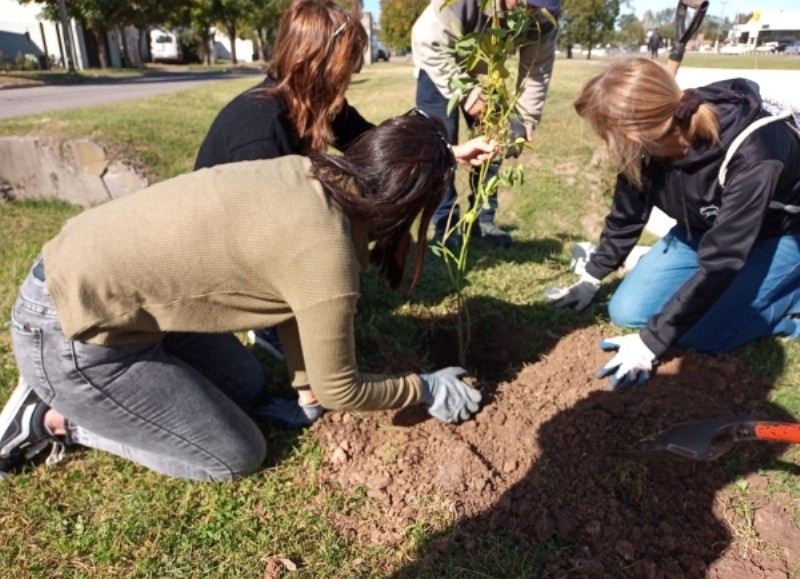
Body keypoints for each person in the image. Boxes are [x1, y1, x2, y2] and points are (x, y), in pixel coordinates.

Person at [0, 113, 494, 481]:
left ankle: (103, 393)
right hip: (67, 331)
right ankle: (54, 418)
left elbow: (295, 297)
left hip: (98, 294)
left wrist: (305, 388)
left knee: (247, 381)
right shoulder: (328, 255)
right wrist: (423, 389)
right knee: (234, 455)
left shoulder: (310, 173)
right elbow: (343, 390)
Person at [546, 57, 800, 388]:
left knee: (704, 335)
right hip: (702, 229)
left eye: (606, 134)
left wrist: (651, 342)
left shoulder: (754, 151)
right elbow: (627, 215)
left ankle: (789, 303)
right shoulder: (645, 148)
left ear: (630, 134)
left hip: (778, 236)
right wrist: (593, 276)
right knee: (626, 310)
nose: (605, 143)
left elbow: (723, 260)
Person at [194, 0, 374, 369]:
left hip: (258, 230)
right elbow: (266, 234)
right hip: (221, 248)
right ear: (316, 64)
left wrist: (442, 150)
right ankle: (269, 323)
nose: (351, 76)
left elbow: (369, 143)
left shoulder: (313, 102)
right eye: (346, 66)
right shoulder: (258, 126)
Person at [412, 0, 560, 248]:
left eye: (540, 7)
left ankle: (482, 219)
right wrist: (469, 96)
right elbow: (427, 41)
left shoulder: (546, 13)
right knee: (440, 147)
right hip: (439, 64)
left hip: (485, 73)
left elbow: (538, 68)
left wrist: (526, 118)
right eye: (529, 4)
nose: (533, 13)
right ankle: (445, 224)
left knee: (496, 139)